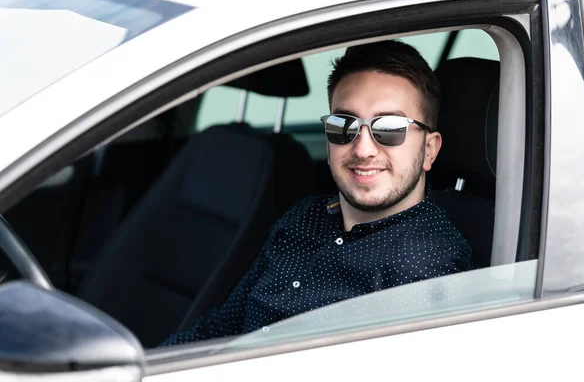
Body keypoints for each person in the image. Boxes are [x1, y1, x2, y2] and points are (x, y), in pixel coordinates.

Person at [160, 40, 476, 346]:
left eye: (390, 128)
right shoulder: (303, 216)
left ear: (430, 150)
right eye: (343, 125)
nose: (363, 149)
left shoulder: (429, 265)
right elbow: (223, 326)